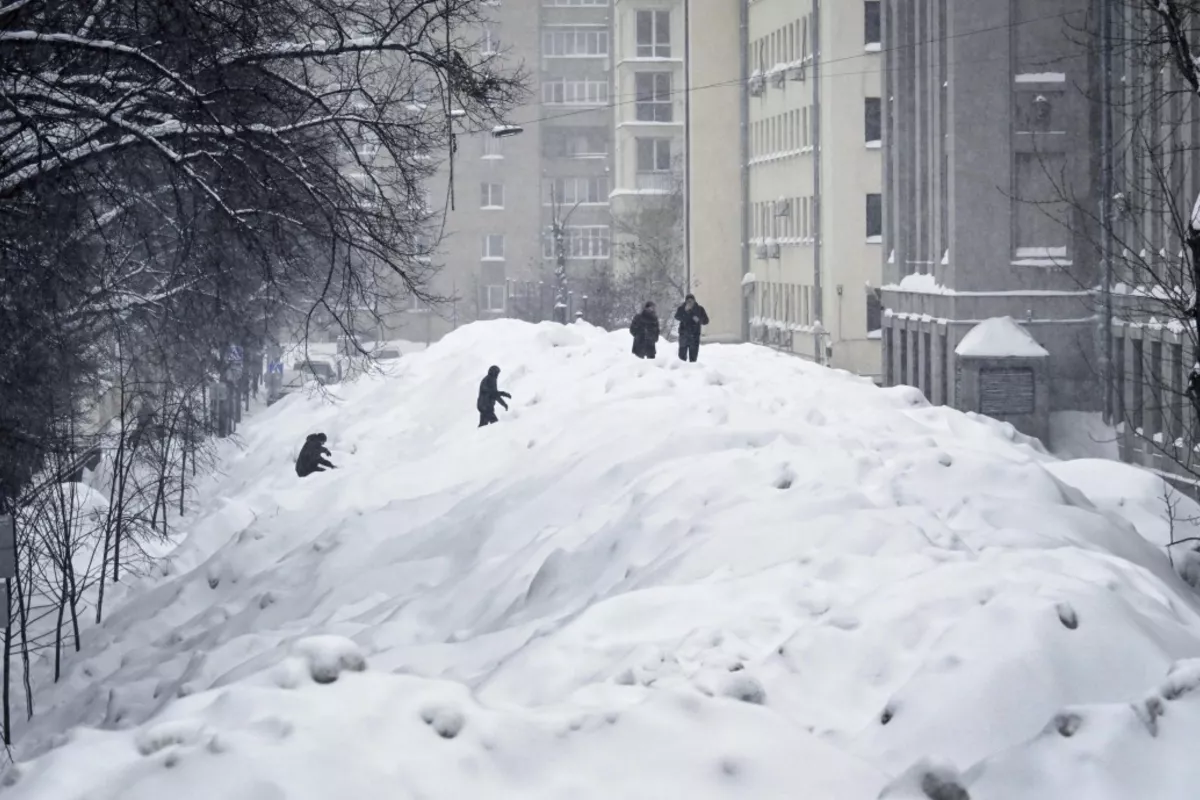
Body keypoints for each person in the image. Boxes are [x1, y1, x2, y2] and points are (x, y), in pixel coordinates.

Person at [674, 294, 710, 362]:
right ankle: (681, 371)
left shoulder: (699, 309)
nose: (690, 302)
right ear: (686, 301)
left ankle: (692, 371)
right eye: (688, 301)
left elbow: (706, 321)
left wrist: (697, 319)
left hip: (694, 336)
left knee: (693, 359)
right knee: (681, 359)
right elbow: (677, 316)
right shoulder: (682, 308)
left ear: (694, 301)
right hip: (683, 336)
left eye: (691, 301)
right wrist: (685, 311)